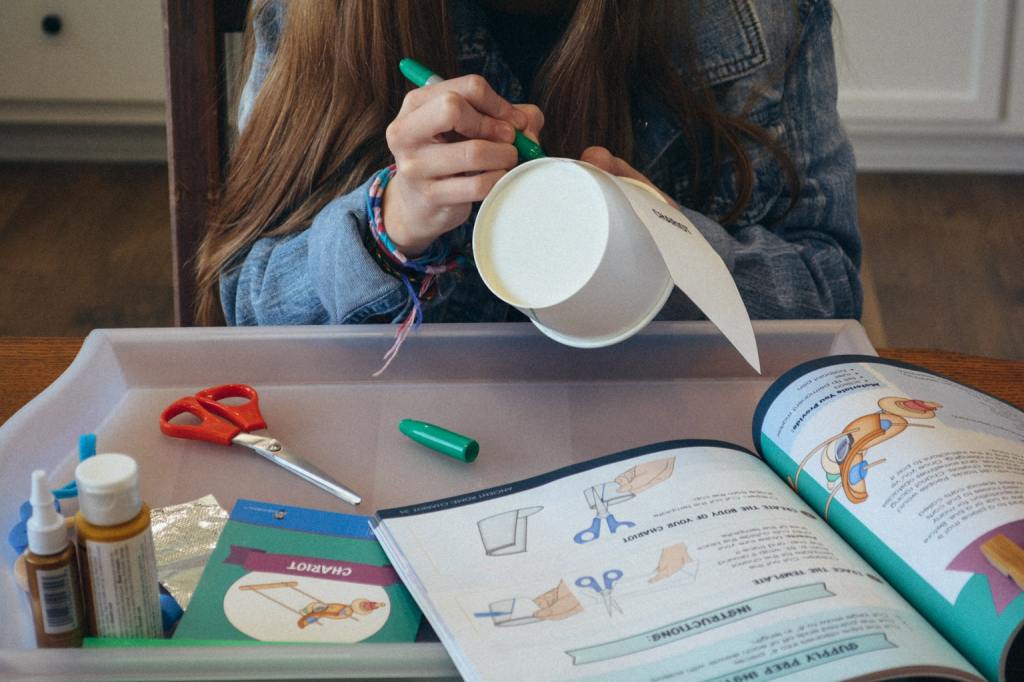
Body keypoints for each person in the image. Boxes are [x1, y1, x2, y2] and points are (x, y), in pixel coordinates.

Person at [195, 0, 862, 331]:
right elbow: (248, 305)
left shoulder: (756, 15)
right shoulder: (326, 15)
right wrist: (386, 229)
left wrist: (667, 248)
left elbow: (829, 295)